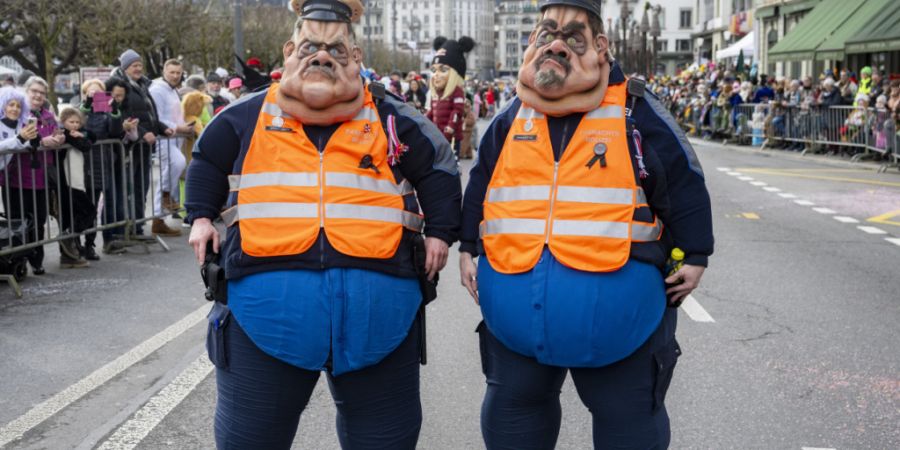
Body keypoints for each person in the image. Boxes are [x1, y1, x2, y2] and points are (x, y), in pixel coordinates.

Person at [185, 0, 461, 448]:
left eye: (336, 48)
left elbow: (440, 170)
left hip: (381, 326)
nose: (322, 56)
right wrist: (199, 217)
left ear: (357, 57)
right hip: (263, 321)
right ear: (289, 49)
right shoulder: (246, 115)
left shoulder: (393, 118)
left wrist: (443, 234)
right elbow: (206, 161)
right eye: (311, 46)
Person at [459, 0, 714, 448]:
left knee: (629, 424)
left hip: (623, 331)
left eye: (572, 37)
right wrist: (466, 245)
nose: (555, 45)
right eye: (545, 34)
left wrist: (695, 253)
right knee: (513, 421)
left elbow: (682, 177)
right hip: (516, 328)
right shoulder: (512, 116)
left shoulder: (634, 110)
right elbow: (481, 181)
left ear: (600, 46)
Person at [0, 77, 65, 275]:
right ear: (26, 92)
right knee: (16, 221)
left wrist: (60, 137)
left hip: (41, 177)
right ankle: (16, 261)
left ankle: (37, 259)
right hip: (15, 177)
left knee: (38, 220)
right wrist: (39, 141)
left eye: (42, 93)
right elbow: (16, 140)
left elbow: (56, 132)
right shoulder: (18, 113)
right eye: (34, 91)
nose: (38, 95)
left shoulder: (47, 115)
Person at [107, 49, 174, 236]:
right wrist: (143, 133)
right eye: (134, 65)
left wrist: (160, 128)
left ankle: (137, 225)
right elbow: (125, 115)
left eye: (139, 65)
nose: (138, 68)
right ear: (125, 67)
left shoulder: (143, 85)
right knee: (127, 188)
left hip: (144, 146)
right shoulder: (118, 85)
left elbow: (149, 114)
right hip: (130, 146)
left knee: (141, 187)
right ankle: (124, 228)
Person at [77, 79, 128, 260]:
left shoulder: (106, 112)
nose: (94, 95)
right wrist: (87, 104)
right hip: (79, 164)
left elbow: (115, 132)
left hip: (100, 164)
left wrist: (114, 111)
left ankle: (89, 244)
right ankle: (75, 243)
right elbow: (76, 123)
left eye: (98, 92)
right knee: (78, 207)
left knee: (92, 207)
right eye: (91, 92)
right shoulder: (80, 108)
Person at [149, 59, 192, 235]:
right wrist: (177, 128)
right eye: (172, 72)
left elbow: (174, 114)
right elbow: (156, 117)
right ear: (164, 71)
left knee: (173, 168)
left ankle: (158, 218)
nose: (175, 76)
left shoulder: (173, 91)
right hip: (163, 138)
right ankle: (166, 196)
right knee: (177, 162)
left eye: (178, 73)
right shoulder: (157, 90)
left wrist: (185, 126)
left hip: (174, 138)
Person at [56, 107, 94, 268]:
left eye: (78, 122)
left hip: (78, 181)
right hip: (68, 182)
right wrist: (80, 136)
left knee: (77, 214)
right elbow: (86, 145)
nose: (75, 126)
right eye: (71, 122)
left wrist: (83, 133)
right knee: (88, 211)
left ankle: (70, 248)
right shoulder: (65, 135)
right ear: (63, 122)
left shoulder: (77, 133)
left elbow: (92, 136)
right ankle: (67, 238)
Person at [426, 35, 474, 155]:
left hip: (451, 137)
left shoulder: (456, 92)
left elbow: (457, 111)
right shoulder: (436, 93)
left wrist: (451, 127)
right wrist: (423, 121)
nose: (436, 74)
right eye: (434, 70)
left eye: (443, 70)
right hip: (438, 135)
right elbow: (432, 112)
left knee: (451, 164)